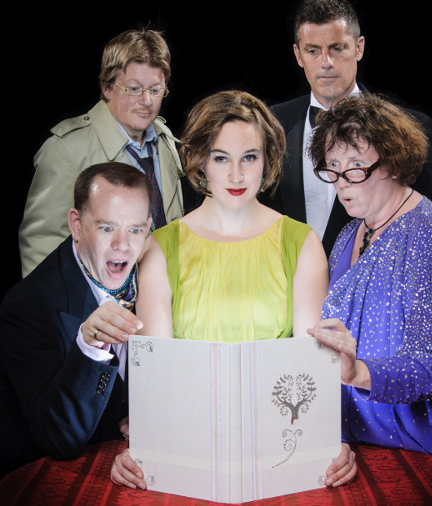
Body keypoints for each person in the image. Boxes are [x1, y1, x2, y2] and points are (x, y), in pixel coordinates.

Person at [110, 90, 356, 489]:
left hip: (279, 450)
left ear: (268, 159)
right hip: (187, 448)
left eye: (250, 157)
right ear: (201, 162)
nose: (237, 175)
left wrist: (326, 442)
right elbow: (158, 376)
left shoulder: (303, 243)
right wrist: (144, 450)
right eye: (221, 158)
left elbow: (307, 370)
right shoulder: (160, 246)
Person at [305, 94, 432, 485]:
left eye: (357, 168)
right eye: (333, 169)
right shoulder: (348, 234)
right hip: (354, 439)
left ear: (393, 161)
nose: (342, 184)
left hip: (426, 447)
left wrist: (359, 372)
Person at [262, 0, 432, 256]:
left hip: (378, 287)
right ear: (298, 55)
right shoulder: (271, 124)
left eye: (337, 48)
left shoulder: (408, 127)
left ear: (359, 47)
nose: (326, 62)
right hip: (289, 289)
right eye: (313, 51)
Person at [0, 162, 153, 477]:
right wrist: (90, 345)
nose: (122, 245)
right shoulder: (26, 307)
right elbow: (58, 439)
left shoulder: (154, 281)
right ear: (76, 224)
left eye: (135, 229)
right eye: (107, 227)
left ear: (148, 227)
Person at [19, 28, 184, 278]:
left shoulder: (165, 139)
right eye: (134, 88)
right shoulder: (66, 148)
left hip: (165, 298)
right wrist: (67, 314)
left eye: (155, 89)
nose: (147, 101)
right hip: (99, 307)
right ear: (107, 87)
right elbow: (41, 244)